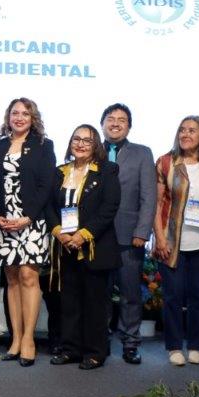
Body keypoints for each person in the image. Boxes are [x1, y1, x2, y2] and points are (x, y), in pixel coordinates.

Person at [0, 98, 56, 367]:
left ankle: (29, 339)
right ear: (8, 117)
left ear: (33, 118)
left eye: (25, 113)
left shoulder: (44, 145)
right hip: (4, 222)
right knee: (12, 278)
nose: (19, 117)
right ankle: (15, 339)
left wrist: (28, 217)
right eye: (15, 113)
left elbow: (46, 185)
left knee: (28, 276)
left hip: (32, 221)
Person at [47, 125, 121, 370]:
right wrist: (59, 232)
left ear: (96, 145)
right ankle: (70, 349)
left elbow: (109, 207)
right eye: (76, 139)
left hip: (94, 248)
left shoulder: (107, 170)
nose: (80, 144)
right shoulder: (60, 172)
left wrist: (83, 235)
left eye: (87, 141)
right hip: (65, 247)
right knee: (69, 302)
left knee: (94, 303)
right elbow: (48, 207)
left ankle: (95, 352)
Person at [152, 116, 199, 366]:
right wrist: (159, 237)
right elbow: (157, 204)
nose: (186, 134)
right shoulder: (166, 162)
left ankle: (195, 346)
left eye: (192, 130)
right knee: (173, 297)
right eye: (182, 130)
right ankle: (175, 346)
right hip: (172, 241)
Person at [100, 103, 156, 364]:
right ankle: (98, 341)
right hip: (96, 236)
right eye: (110, 119)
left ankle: (130, 343)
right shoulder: (91, 150)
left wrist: (142, 231)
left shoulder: (142, 153)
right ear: (102, 124)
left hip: (129, 235)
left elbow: (149, 197)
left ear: (129, 126)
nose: (115, 123)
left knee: (130, 294)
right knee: (98, 293)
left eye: (122, 120)